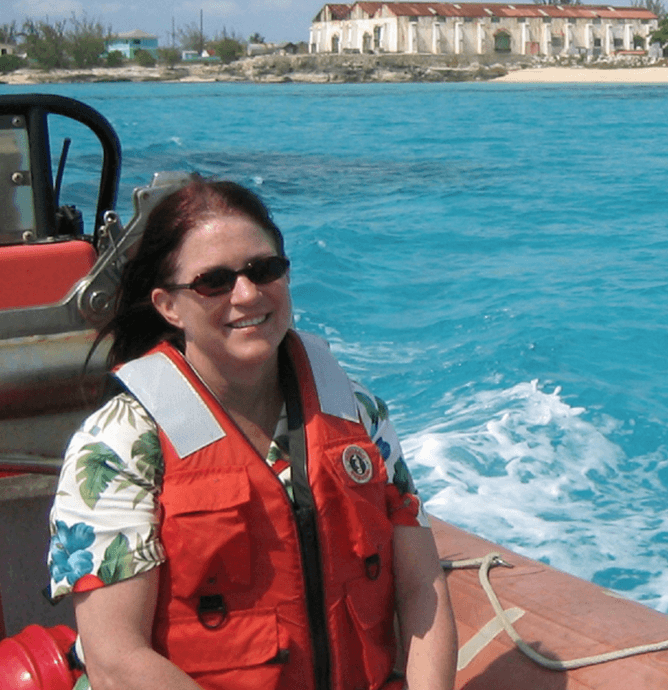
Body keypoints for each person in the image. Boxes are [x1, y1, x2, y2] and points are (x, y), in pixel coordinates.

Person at [48, 174, 457, 690]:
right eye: (212, 282)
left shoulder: (354, 412)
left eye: (264, 270)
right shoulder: (119, 444)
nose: (247, 294)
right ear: (168, 305)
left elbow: (423, 589)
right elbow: (115, 659)